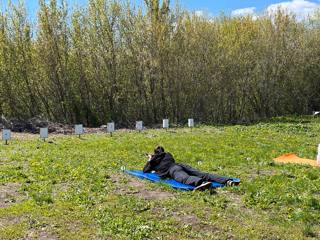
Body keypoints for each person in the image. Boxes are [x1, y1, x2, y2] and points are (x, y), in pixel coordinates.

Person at [143, 146, 238, 191]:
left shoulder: (153, 161)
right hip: (181, 165)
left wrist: (150, 159)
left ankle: (202, 183)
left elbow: (145, 170)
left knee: (184, 178)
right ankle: (228, 181)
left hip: (173, 170)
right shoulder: (168, 154)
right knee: (204, 174)